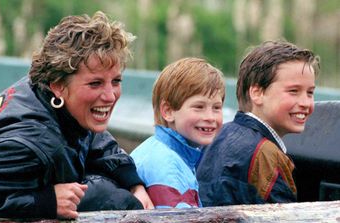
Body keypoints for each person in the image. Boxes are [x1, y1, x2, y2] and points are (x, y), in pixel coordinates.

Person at [0, 11, 153, 219]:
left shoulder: (44, 92)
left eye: (116, 81)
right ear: (59, 86)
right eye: (95, 83)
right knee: (114, 200)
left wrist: (133, 181)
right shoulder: (30, 144)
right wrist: (44, 201)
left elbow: (93, 136)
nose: (110, 96)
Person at [196, 40, 320, 206]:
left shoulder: (217, 135)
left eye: (310, 93)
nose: (306, 102)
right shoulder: (267, 156)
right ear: (257, 93)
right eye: (293, 91)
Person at [130, 57, 225, 208]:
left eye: (216, 108)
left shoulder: (161, 150)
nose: (210, 117)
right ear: (168, 111)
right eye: (199, 107)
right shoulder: (168, 168)